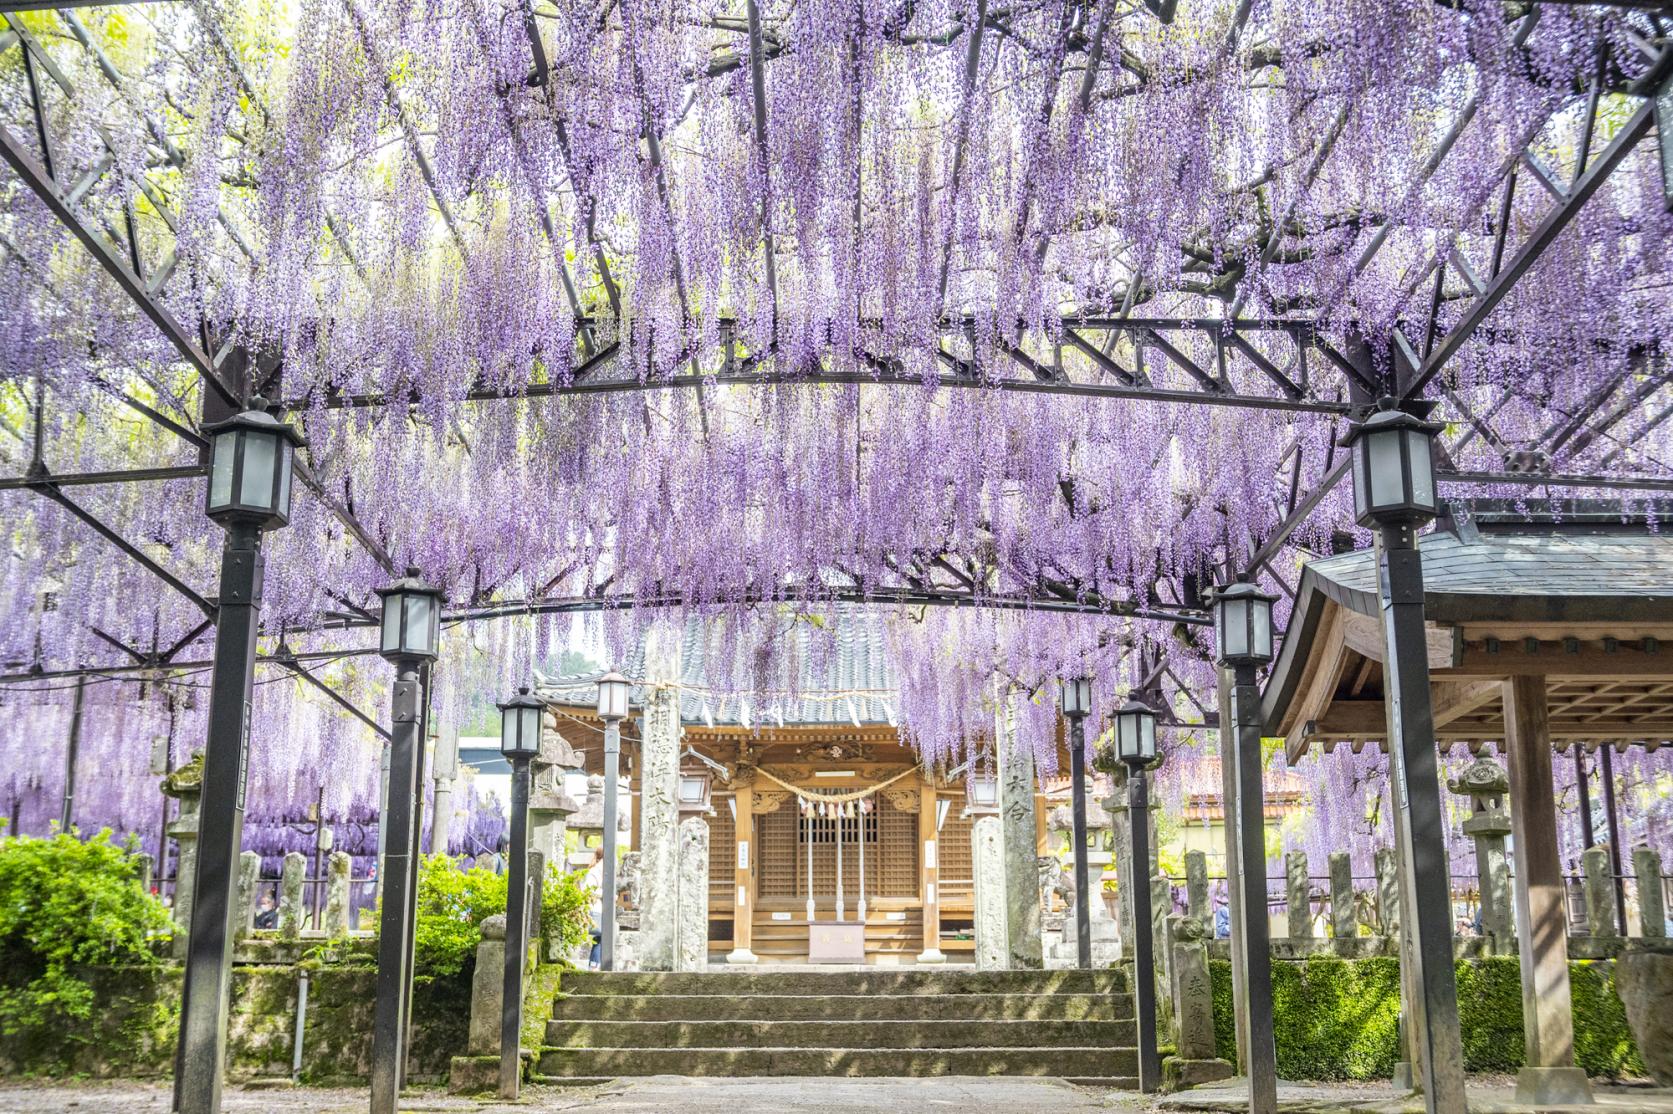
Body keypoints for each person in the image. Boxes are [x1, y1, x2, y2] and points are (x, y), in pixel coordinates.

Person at [584, 847, 606, 968]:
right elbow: (588, 890)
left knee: (600, 938)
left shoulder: (598, 871)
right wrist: (607, 893)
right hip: (594, 910)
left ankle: (594, 965)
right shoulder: (594, 871)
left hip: (598, 909)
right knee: (601, 936)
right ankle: (594, 965)